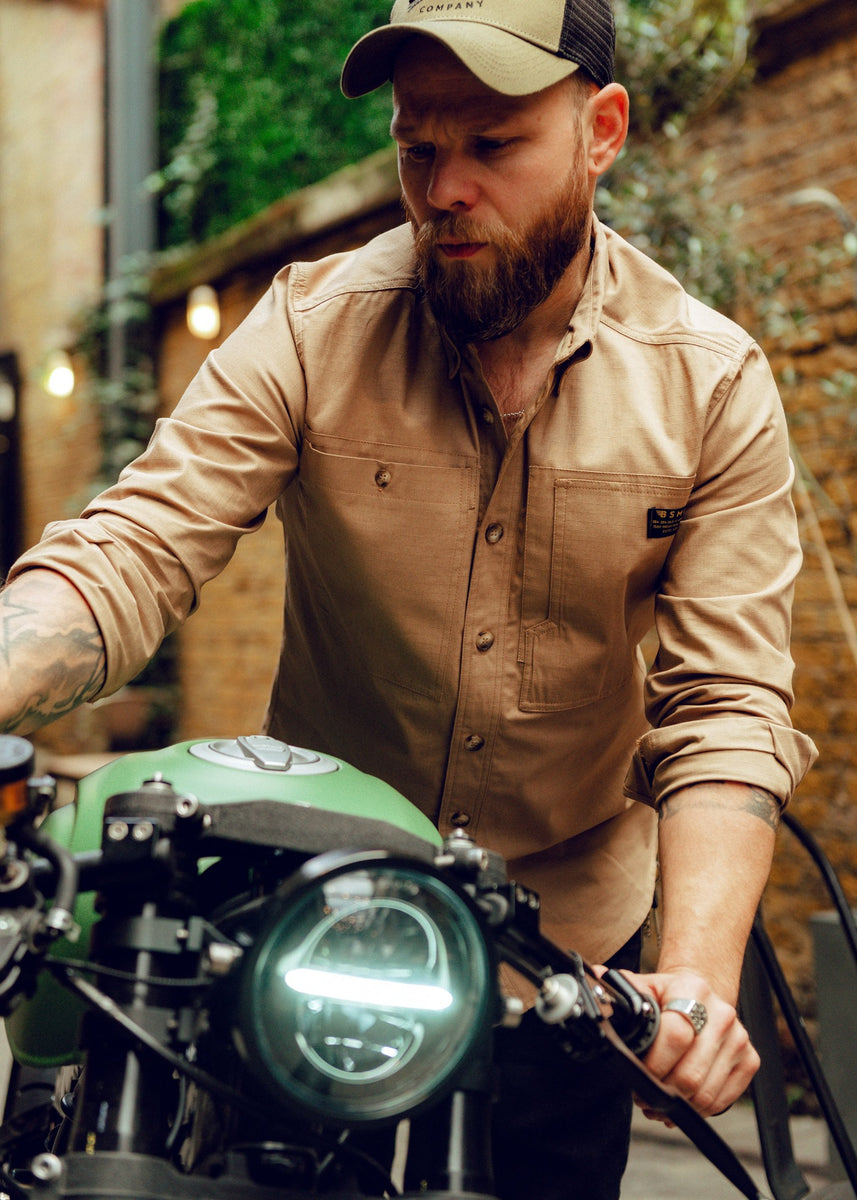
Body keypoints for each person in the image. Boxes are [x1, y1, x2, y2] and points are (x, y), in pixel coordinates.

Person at [0, 0, 816, 1195]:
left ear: (600, 131)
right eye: (417, 147)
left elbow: (725, 708)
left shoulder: (710, 387)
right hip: (298, 933)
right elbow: (134, 548)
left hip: (564, 960)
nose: (443, 189)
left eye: (491, 146)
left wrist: (687, 982)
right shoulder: (307, 325)